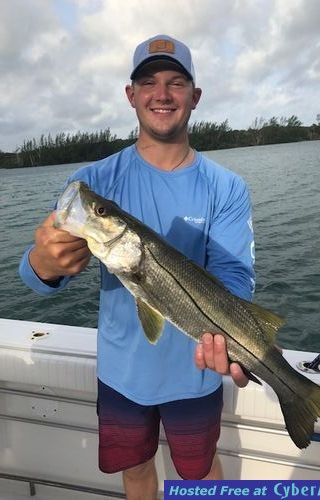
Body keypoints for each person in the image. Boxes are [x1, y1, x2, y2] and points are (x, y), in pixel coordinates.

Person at [19, 34, 255, 499]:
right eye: (147, 82)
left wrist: (234, 336)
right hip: (121, 373)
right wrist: (43, 262)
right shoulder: (93, 184)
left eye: (176, 82)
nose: (161, 94)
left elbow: (235, 277)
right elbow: (40, 276)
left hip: (196, 372)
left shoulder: (226, 187)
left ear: (195, 97)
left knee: (201, 474)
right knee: (136, 470)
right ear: (131, 96)